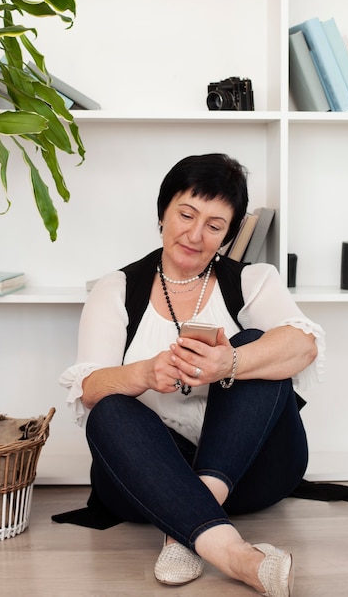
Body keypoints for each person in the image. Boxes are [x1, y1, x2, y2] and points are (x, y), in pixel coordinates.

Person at [59, 153, 325, 596]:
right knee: (109, 408)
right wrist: (142, 373)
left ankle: (189, 521)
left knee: (256, 344)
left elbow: (305, 345)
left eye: (215, 226)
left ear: (228, 234)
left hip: (252, 472)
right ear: (163, 210)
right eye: (186, 214)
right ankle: (235, 555)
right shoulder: (116, 289)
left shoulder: (254, 279)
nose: (196, 235)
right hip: (150, 476)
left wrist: (229, 365)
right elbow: (86, 389)